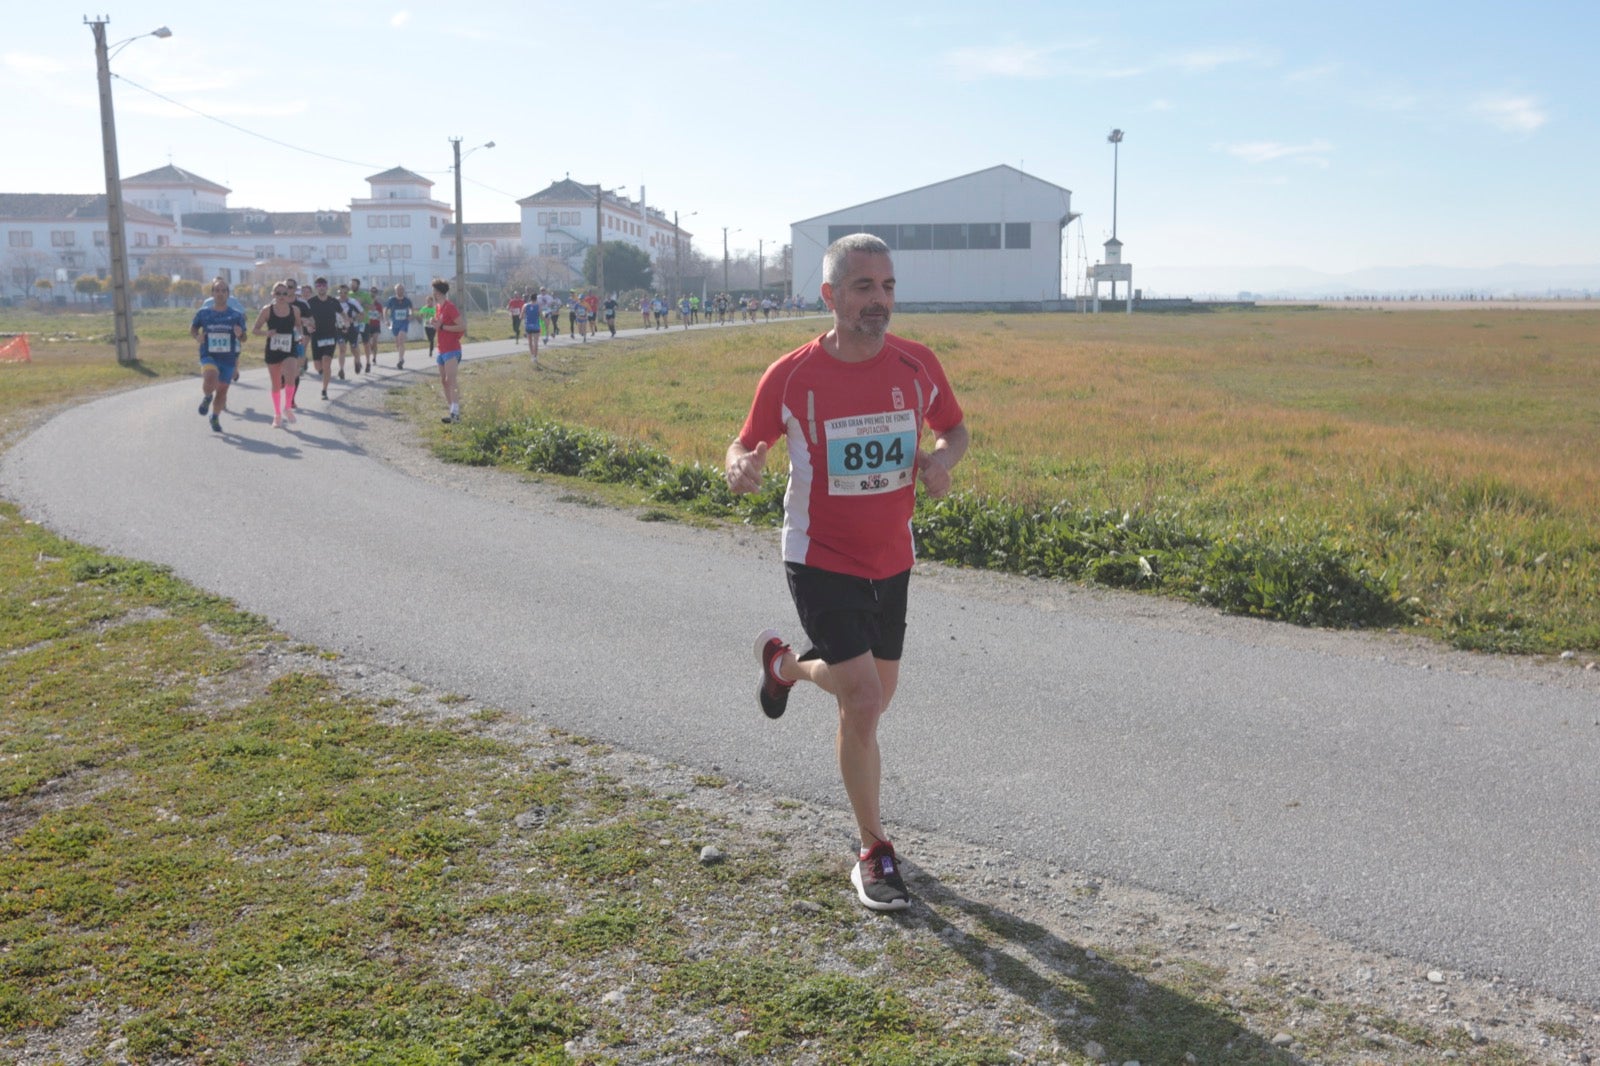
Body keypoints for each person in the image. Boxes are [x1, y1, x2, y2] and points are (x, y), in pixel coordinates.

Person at [724, 233, 969, 912]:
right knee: (862, 701)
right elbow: (745, 442)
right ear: (830, 296)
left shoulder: (917, 365)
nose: (880, 301)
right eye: (863, 288)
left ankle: (785, 668)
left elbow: (955, 429)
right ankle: (874, 849)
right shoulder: (793, 374)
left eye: (888, 287)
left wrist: (941, 462)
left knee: (872, 698)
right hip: (818, 554)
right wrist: (740, 463)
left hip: (892, 556)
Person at [190, 278, 247, 434]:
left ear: (228, 294)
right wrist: (197, 337)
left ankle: (214, 416)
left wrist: (240, 334)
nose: (220, 293)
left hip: (227, 358)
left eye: (223, 291)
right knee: (210, 376)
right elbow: (193, 328)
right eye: (217, 290)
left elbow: (244, 338)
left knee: (222, 391)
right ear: (212, 294)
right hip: (209, 354)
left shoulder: (235, 315)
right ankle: (208, 397)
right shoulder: (203, 313)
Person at [252, 281, 303, 428]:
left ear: (289, 295)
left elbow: (299, 326)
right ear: (273, 294)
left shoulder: (295, 310)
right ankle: (277, 414)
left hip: (289, 348)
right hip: (273, 350)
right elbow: (255, 329)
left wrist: (300, 336)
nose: (281, 296)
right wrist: (266, 333)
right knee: (275, 384)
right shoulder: (267, 310)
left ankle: (287, 407)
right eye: (278, 293)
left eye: (284, 293)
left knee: (291, 378)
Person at [432, 277, 465, 423]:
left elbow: (462, 326)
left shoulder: (450, 307)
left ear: (438, 292)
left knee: (451, 380)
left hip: (452, 349)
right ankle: (451, 410)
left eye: (434, 290)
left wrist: (443, 327)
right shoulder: (438, 307)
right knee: (444, 381)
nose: (432, 292)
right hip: (441, 349)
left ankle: (456, 414)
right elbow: (440, 325)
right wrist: (435, 324)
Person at [303, 277, 342, 400]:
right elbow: (303, 317)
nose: (321, 288)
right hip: (316, 335)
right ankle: (323, 373)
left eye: (323, 285)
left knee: (326, 361)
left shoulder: (333, 301)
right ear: (316, 288)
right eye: (319, 286)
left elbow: (342, 313)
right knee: (318, 366)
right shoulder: (310, 302)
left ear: (327, 287)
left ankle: (324, 390)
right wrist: (308, 325)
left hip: (331, 335)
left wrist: (346, 322)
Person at [386, 283, 415, 369]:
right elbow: (385, 310)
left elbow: (411, 309)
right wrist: (386, 320)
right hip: (395, 323)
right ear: (395, 291)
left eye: (401, 289)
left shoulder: (407, 300)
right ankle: (401, 357)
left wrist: (410, 315)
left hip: (404, 322)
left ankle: (400, 359)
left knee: (401, 339)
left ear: (404, 290)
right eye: (398, 289)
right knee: (397, 343)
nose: (400, 291)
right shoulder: (391, 300)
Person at [419, 291, 438, 359]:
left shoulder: (434, 309)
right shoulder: (424, 308)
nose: (428, 302)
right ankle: (431, 347)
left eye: (429, 301)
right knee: (429, 339)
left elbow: (437, 316)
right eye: (427, 301)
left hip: (433, 326)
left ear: (432, 301)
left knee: (432, 338)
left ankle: (430, 351)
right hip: (426, 325)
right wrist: (422, 316)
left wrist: (435, 319)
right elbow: (420, 314)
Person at [523, 294, 540, 366]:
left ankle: (532, 356)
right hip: (536, 326)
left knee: (530, 342)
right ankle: (535, 357)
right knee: (535, 342)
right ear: (536, 299)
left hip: (528, 326)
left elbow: (521, 316)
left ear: (530, 298)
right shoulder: (538, 306)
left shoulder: (525, 306)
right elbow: (542, 317)